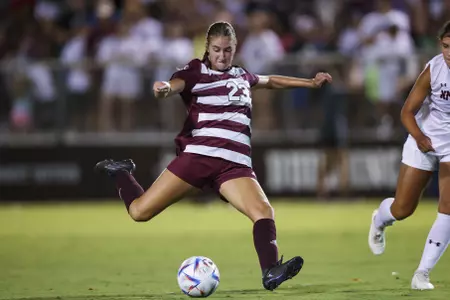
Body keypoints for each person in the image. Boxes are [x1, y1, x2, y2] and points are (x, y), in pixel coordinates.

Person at [95, 21, 332, 291]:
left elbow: (271, 81)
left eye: (228, 50)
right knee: (139, 212)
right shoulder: (196, 71)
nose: (222, 55)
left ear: (235, 49)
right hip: (199, 158)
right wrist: (164, 89)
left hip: (235, 164)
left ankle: (270, 271)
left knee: (263, 211)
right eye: (217, 49)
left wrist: (311, 83)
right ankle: (121, 172)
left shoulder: (243, 76)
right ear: (207, 48)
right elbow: (174, 84)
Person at [368, 21, 450, 290]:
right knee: (402, 209)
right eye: (445, 46)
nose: (448, 53)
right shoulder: (434, 68)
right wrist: (420, 138)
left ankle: (422, 274)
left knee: (449, 209)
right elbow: (407, 112)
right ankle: (380, 219)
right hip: (423, 137)